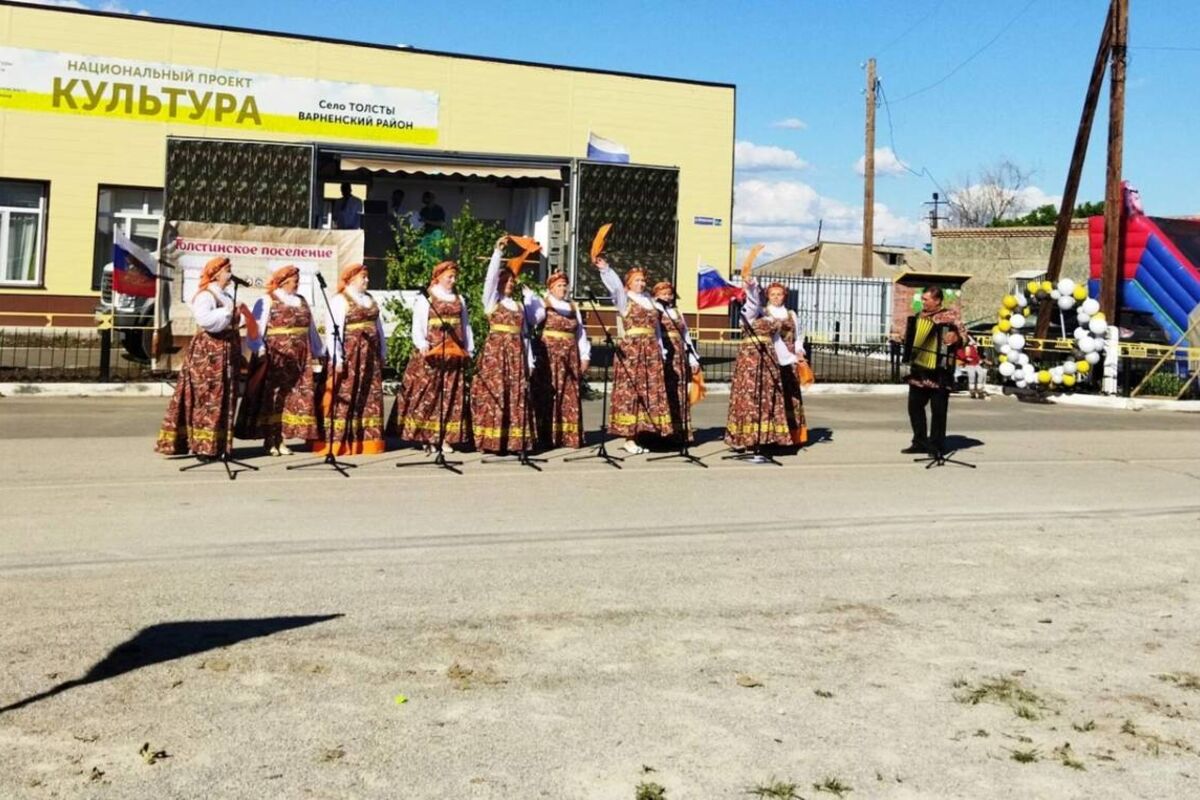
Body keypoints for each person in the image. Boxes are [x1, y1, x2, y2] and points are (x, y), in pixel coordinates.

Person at [155, 256, 251, 458]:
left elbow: (236, 321)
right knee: (207, 398)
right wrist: (227, 312)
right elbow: (206, 321)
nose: (230, 273)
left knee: (225, 396)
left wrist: (239, 315)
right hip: (209, 354)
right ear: (216, 274)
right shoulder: (205, 295)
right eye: (227, 269)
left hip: (227, 352)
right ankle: (202, 446)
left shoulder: (226, 295)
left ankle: (218, 445)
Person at [236, 265, 324, 455]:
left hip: (300, 358)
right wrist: (258, 349)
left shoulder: (301, 301)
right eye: (295, 281)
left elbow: (311, 329)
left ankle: (282, 438)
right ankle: (270, 439)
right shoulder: (267, 300)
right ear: (284, 282)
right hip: (276, 357)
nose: (297, 284)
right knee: (273, 397)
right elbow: (255, 328)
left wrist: (320, 351)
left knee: (294, 398)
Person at [388, 259, 474, 452]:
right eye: (449, 276)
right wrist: (421, 343)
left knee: (451, 396)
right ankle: (427, 437)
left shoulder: (459, 299)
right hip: (432, 355)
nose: (453, 280)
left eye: (454, 276)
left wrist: (469, 347)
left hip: (453, 355)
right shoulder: (427, 298)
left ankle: (445, 438)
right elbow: (418, 323)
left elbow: (465, 325)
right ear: (439, 277)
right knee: (429, 395)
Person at [594, 255, 672, 454]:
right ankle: (629, 437)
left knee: (649, 391)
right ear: (629, 282)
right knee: (632, 391)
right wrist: (606, 270)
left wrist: (661, 350)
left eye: (643, 280)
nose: (641, 283)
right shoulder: (624, 298)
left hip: (650, 350)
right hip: (632, 350)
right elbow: (616, 287)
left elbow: (656, 330)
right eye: (637, 280)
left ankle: (643, 433)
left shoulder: (649, 301)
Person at [470, 236, 540, 454]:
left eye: (512, 282)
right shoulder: (492, 302)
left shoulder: (519, 305)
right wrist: (498, 253)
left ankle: (514, 441)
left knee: (515, 397)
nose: (509, 284)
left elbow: (528, 331)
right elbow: (489, 280)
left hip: (516, 356)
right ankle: (491, 441)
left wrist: (530, 361)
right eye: (506, 281)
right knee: (495, 395)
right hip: (496, 356)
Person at [723, 276, 799, 450]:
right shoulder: (748, 314)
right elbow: (752, 302)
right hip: (750, 361)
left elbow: (777, 340)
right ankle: (746, 438)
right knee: (750, 398)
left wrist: (790, 358)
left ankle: (764, 438)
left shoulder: (769, 318)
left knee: (767, 398)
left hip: (768, 360)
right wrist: (752, 287)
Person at [319, 263, 386, 455]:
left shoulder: (370, 299)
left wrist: (383, 352)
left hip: (370, 356)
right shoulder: (340, 300)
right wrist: (337, 358)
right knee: (346, 395)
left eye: (366, 277)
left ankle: (366, 441)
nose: (367, 280)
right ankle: (342, 441)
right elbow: (334, 330)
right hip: (350, 356)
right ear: (350, 279)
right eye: (363, 277)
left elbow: (378, 327)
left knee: (369, 395)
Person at [903, 286, 966, 456]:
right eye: (922, 299)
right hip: (919, 369)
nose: (922, 302)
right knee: (914, 406)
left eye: (926, 299)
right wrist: (904, 338)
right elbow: (911, 338)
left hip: (940, 370)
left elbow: (965, 337)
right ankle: (920, 441)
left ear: (937, 301)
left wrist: (956, 337)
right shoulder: (918, 317)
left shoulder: (950, 317)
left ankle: (937, 445)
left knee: (938, 410)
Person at [530, 270, 590, 449]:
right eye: (559, 286)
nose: (563, 289)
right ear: (551, 288)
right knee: (549, 394)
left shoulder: (573, 307)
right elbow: (531, 321)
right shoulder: (544, 303)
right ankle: (546, 436)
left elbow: (580, 333)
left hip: (570, 356)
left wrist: (585, 355)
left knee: (569, 394)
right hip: (549, 357)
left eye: (565, 285)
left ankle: (568, 436)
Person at [761, 280, 809, 445]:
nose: (776, 297)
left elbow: (799, 336)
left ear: (784, 296)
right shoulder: (764, 312)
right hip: (770, 356)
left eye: (779, 294)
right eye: (772, 294)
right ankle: (772, 435)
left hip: (789, 357)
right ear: (768, 296)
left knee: (790, 394)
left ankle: (792, 435)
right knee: (772, 394)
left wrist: (799, 351)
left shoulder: (791, 314)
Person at [652, 280, 699, 443]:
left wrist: (692, 357)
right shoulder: (655, 310)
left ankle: (681, 432)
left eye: (669, 293)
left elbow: (686, 335)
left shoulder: (677, 312)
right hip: (665, 350)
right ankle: (664, 431)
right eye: (663, 294)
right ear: (656, 295)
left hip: (679, 353)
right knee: (665, 390)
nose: (667, 297)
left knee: (679, 391)